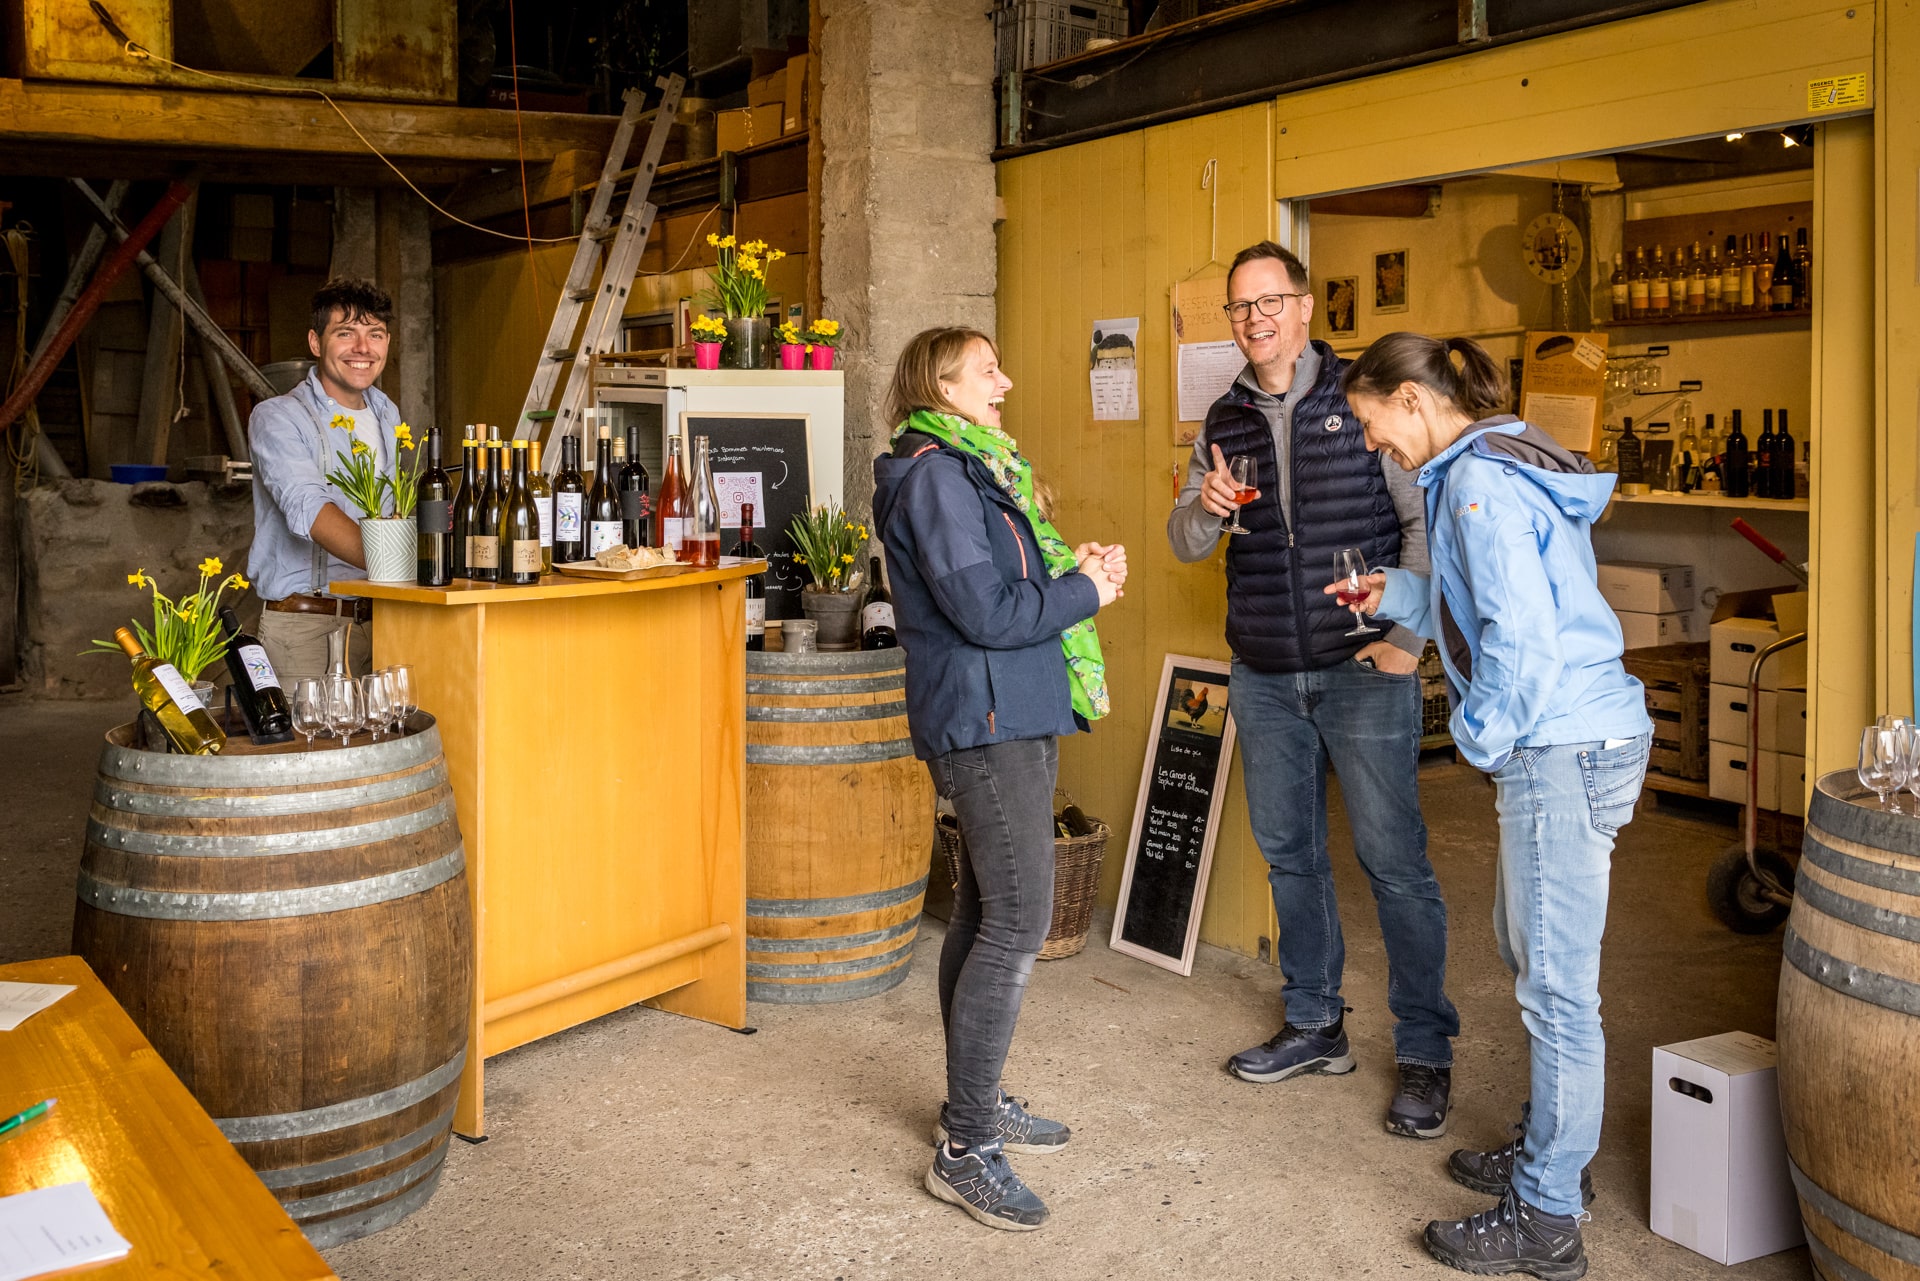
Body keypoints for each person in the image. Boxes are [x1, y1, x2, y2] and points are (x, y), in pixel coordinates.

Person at [1335, 332, 1653, 1279]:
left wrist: (1481, 739)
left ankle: (1548, 1218)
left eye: (1370, 422)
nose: (1369, 444)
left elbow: (1520, 642)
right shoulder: (1492, 467)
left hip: (1557, 743)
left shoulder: (1475, 488)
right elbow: (1485, 599)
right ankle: (1552, 1158)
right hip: (1572, 738)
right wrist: (1393, 587)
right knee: (1531, 956)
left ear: (1413, 402)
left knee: (1557, 990)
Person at [1166, 241, 1459, 1138]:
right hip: (1262, 670)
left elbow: (1423, 529)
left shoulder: (1361, 402)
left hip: (1361, 668)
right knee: (1291, 855)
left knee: (1393, 863)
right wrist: (1205, 511)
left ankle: (1425, 1050)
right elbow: (1182, 541)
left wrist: (1409, 642)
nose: (1254, 319)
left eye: (1269, 302)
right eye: (1239, 307)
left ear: (1302, 309)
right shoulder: (1223, 417)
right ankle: (1314, 1021)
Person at [872, 327, 1128, 1231]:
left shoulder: (975, 466)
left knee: (983, 912)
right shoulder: (938, 474)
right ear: (938, 384)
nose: (1006, 382)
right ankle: (967, 1145)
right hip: (985, 718)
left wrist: (1074, 574)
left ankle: (971, 1104)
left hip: (1013, 706)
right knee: (1019, 919)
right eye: (987, 370)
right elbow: (982, 610)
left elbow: (1007, 586)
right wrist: (1084, 595)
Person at [247, 277, 403, 680]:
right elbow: (310, 509)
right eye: (346, 333)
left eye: (376, 334)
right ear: (316, 343)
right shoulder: (279, 417)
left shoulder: (387, 414)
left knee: (385, 743)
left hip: (386, 621)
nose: (363, 349)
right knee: (312, 741)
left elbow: (392, 514)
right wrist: (406, 564)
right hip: (308, 629)